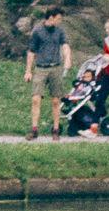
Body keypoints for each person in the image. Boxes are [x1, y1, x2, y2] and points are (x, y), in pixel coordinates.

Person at [24, 9, 73, 140]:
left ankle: (56, 129)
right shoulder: (37, 31)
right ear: (51, 17)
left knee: (56, 100)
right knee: (35, 98)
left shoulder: (59, 31)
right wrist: (28, 71)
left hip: (55, 67)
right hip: (40, 68)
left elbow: (65, 45)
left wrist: (68, 58)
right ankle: (34, 129)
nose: (60, 21)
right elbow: (31, 52)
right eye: (58, 18)